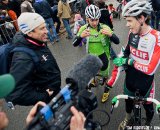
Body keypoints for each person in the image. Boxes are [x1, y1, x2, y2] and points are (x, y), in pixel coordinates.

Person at [112, 0, 160, 129]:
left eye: (129, 20)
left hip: (146, 84)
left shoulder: (156, 38)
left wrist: (130, 62)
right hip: (130, 80)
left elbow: (150, 69)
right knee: (128, 104)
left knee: (149, 108)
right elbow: (127, 51)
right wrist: (121, 59)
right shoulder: (132, 33)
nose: (127, 25)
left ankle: (148, 123)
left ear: (141, 18)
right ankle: (127, 119)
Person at [5, 12, 61, 106]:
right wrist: (44, 96)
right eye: (42, 28)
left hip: (55, 93)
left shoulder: (37, 40)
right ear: (30, 33)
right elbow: (16, 94)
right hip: (48, 102)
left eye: (45, 26)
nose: (46, 31)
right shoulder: (23, 58)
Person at [73, 4, 120, 103]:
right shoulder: (84, 28)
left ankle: (106, 91)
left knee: (105, 77)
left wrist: (110, 34)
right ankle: (95, 80)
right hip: (91, 58)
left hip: (104, 57)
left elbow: (117, 41)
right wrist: (80, 37)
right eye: (92, 20)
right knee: (93, 75)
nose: (94, 23)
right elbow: (74, 44)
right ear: (87, 19)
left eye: (96, 19)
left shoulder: (104, 27)